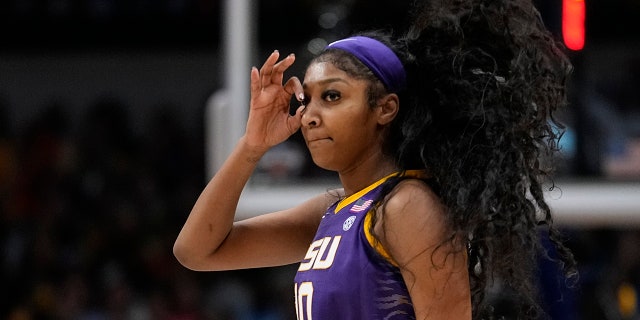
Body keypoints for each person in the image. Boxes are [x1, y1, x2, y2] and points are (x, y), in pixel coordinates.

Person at [174, 0, 577, 318]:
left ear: (385, 109)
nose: (311, 115)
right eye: (307, 99)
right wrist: (251, 146)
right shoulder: (331, 210)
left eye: (332, 96)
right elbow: (196, 252)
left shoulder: (407, 205)